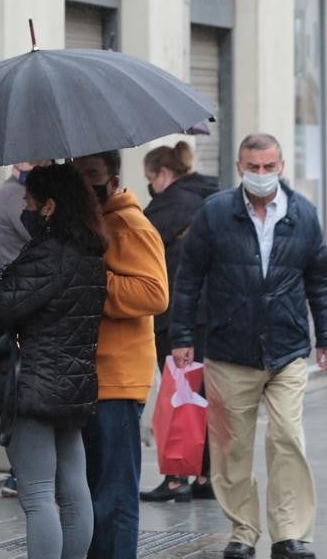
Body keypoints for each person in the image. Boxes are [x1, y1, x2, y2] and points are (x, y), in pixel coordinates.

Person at [171, 133, 327, 559]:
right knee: (232, 447)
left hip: (286, 347)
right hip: (229, 349)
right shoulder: (215, 214)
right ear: (239, 167)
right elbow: (188, 279)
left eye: (268, 167)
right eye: (253, 167)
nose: (261, 175)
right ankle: (243, 531)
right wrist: (182, 336)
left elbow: (319, 281)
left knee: (287, 437)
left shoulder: (304, 214)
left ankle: (290, 533)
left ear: (281, 166)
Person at [0, 163, 107, 559]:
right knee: (74, 488)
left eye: (30, 202)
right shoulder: (89, 253)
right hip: (74, 383)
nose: (26, 209)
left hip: (34, 384)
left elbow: (4, 308)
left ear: (50, 206)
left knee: (37, 494)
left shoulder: (48, 254)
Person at [71, 150, 168, 559]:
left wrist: (93, 280)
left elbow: (154, 293)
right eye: (78, 174)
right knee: (89, 493)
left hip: (118, 379)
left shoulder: (130, 225)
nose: (85, 183)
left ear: (113, 178)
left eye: (92, 174)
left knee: (114, 498)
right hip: (85, 374)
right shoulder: (86, 226)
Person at [139, 141, 219, 503]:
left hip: (175, 316)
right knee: (201, 395)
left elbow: (136, 250)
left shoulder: (168, 207)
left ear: (165, 175)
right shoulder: (210, 197)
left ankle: (176, 479)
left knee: (177, 395)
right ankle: (204, 476)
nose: (149, 186)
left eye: (149, 178)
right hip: (210, 315)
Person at [0, 160, 47, 497]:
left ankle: (21, 471)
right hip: (22, 306)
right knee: (24, 386)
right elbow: (42, 237)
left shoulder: (15, 192)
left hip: (23, 302)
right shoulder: (14, 196)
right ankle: (18, 472)